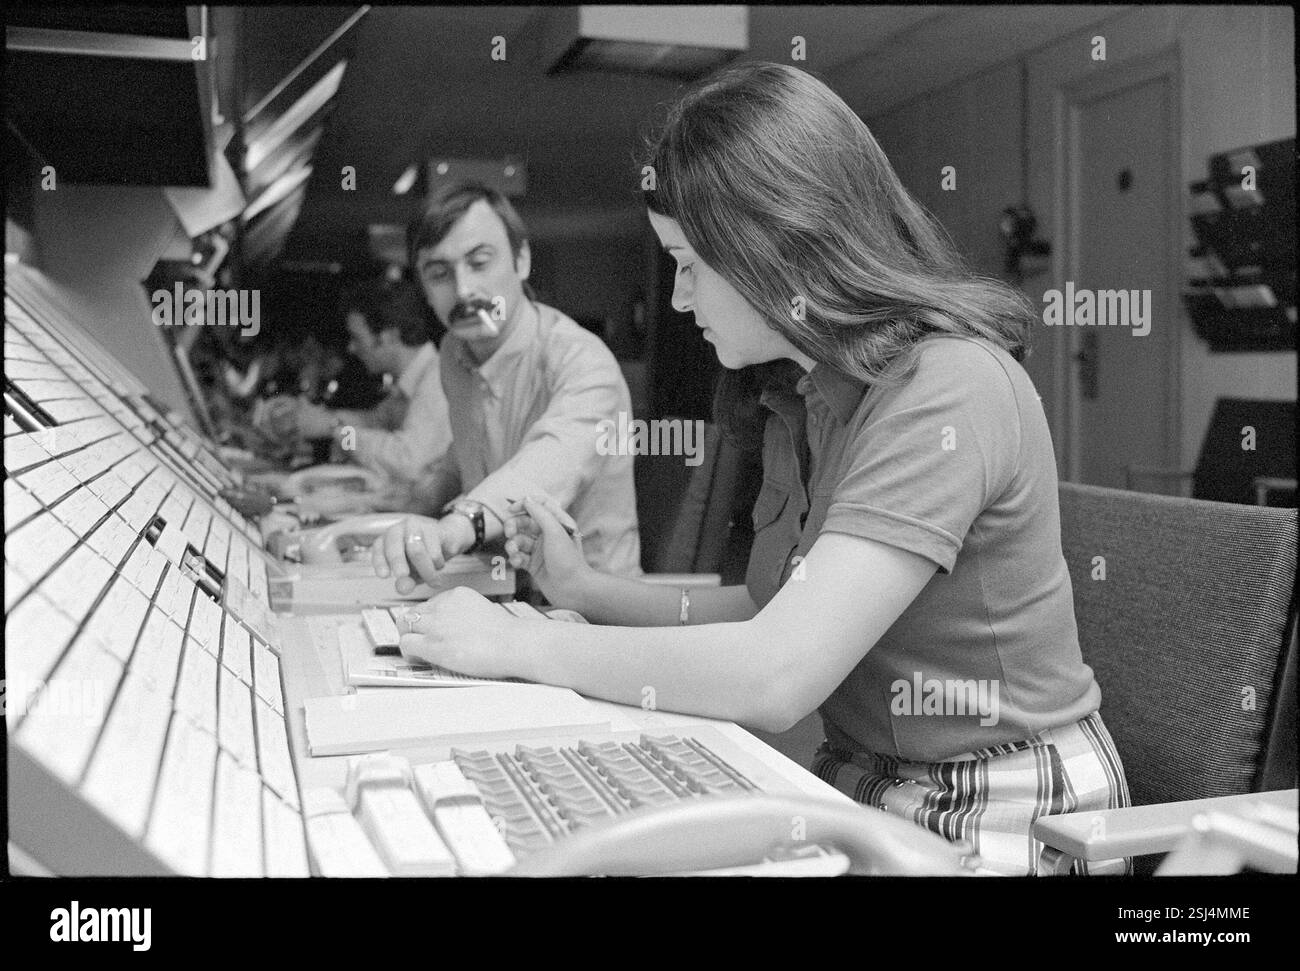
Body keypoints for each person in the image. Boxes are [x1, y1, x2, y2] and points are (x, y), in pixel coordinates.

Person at [379, 63, 1132, 877]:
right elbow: (766, 610)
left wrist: (521, 645)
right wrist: (585, 591)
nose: (678, 298)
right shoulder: (798, 392)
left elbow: (777, 671)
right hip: (860, 788)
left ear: (774, 244)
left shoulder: (948, 386)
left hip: (1006, 808)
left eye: (690, 262)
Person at [369, 182, 642, 581]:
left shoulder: (583, 360)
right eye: (439, 274)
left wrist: (459, 523)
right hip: (496, 585)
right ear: (425, 290)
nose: (464, 291)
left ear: (522, 260)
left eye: (479, 262)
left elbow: (547, 464)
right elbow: (469, 451)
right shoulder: (453, 352)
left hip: (591, 600)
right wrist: (415, 505)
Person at [260, 279, 453, 487]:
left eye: (357, 338)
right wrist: (315, 418)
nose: (351, 348)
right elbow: (373, 422)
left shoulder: (437, 380)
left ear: (388, 336)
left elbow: (407, 462)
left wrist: (334, 429)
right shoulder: (413, 382)